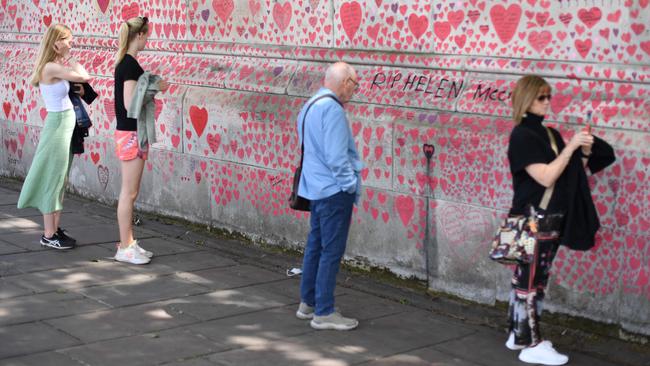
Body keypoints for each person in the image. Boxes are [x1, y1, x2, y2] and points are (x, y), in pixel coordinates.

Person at [505, 75, 611, 365]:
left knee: (526, 277)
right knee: (531, 281)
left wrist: (584, 150)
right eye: (541, 97)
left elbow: (570, 173)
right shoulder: (522, 136)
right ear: (526, 99)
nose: (548, 102)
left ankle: (518, 333)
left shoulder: (548, 133)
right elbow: (546, 176)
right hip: (532, 218)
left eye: (549, 96)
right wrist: (570, 147)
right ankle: (532, 343)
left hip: (548, 218)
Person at [294, 62, 363, 331]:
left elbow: (308, 147)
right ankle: (324, 311)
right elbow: (337, 157)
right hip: (334, 191)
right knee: (331, 251)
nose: (354, 90)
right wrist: (349, 185)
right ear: (344, 82)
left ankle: (308, 303)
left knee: (316, 245)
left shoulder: (310, 105)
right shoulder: (333, 110)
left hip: (315, 189)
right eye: (354, 84)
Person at [18, 24, 91, 250]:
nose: (71, 44)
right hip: (58, 126)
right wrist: (69, 56)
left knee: (60, 179)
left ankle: (54, 229)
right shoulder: (50, 67)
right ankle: (49, 234)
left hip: (66, 127)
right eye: (67, 40)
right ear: (56, 42)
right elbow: (85, 76)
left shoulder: (55, 67)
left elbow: (79, 83)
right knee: (53, 178)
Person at [113, 16, 168, 264]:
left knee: (130, 192)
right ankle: (124, 247)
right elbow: (129, 104)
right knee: (129, 192)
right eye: (147, 35)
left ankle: (130, 243)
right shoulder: (130, 66)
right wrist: (155, 87)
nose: (149, 39)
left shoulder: (127, 63)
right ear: (140, 36)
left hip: (130, 133)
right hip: (130, 133)